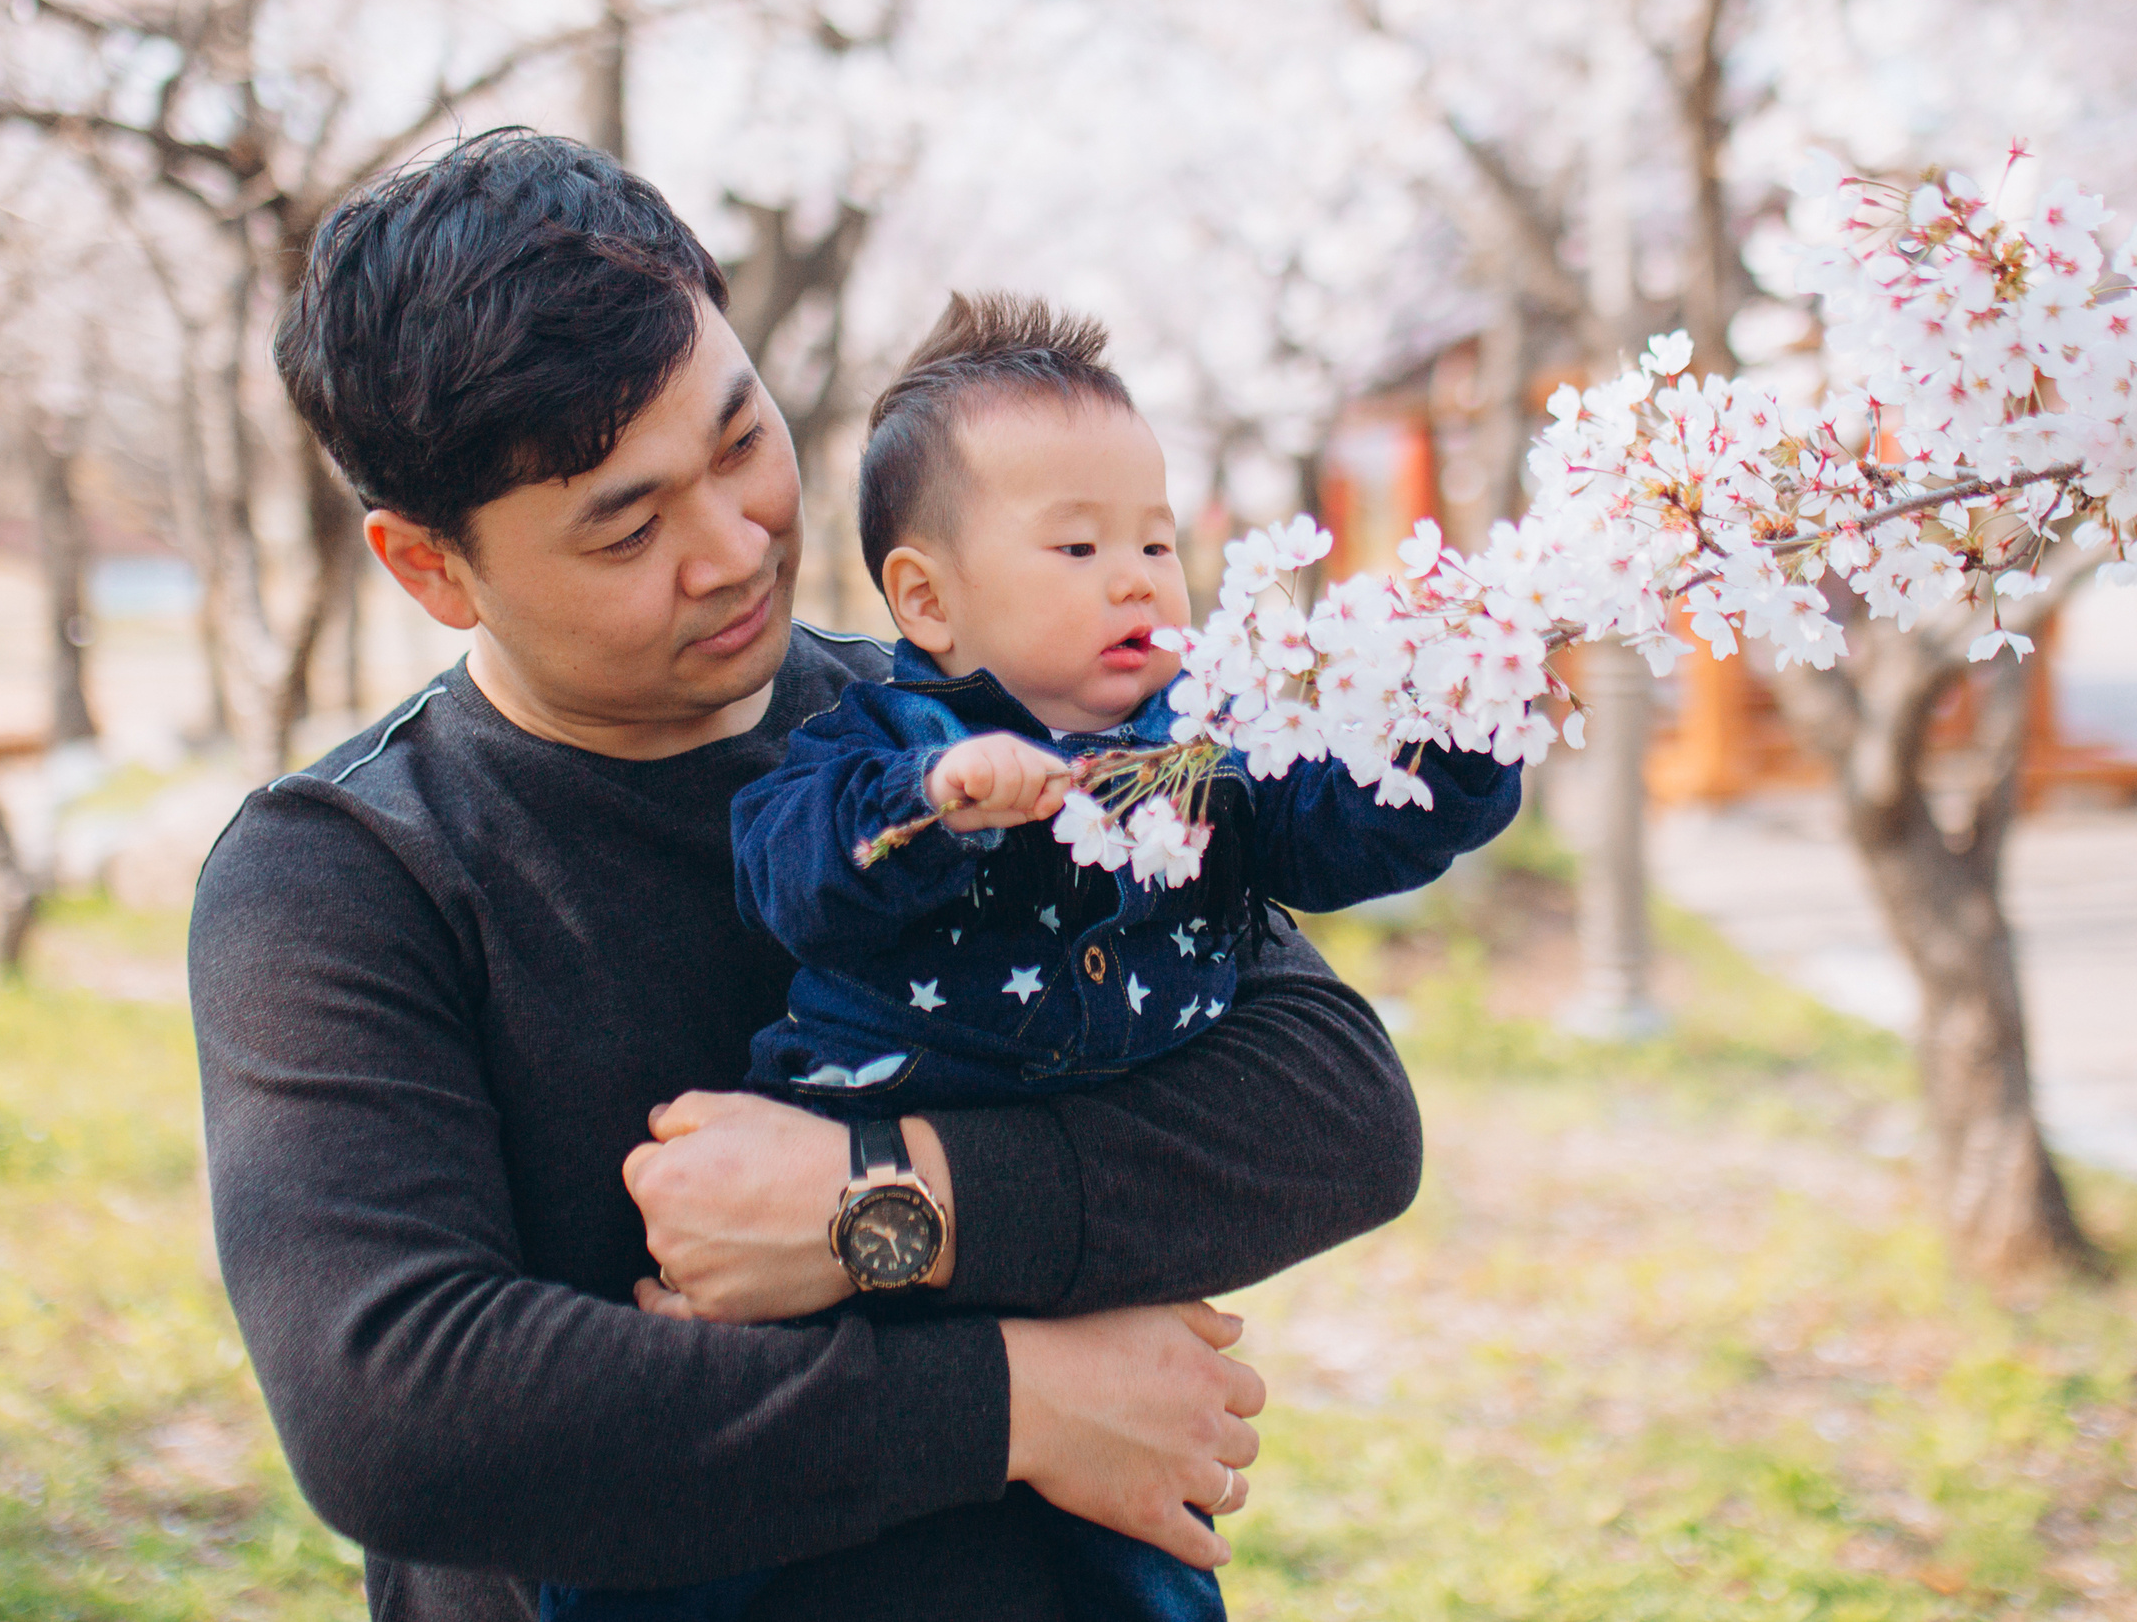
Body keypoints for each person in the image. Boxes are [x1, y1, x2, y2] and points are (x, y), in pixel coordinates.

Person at [188, 128, 1427, 1622]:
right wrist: (1013, 1400)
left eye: (736, 440)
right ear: (430, 567)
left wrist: (878, 1206)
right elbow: (407, 1403)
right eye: (628, 523)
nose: (732, 547)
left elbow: (1334, 1107)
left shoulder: (960, 737)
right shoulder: (346, 875)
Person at [540, 297, 1522, 1622]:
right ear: (929, 599)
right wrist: (937, 800)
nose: (1137, 578)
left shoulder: (1202, 755)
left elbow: (1334, 834)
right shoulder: (873, 733)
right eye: (1078, 544)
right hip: (830, 1195)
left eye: (1158, 542)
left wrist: (1458, 741)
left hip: (1082, 1270)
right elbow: (792, 868)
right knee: (684, 1542)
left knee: (1152, 1556)